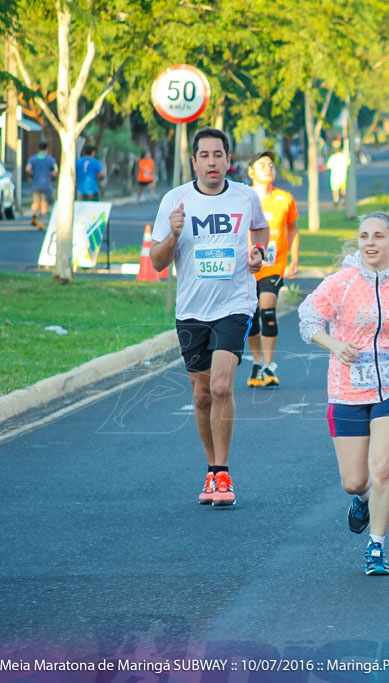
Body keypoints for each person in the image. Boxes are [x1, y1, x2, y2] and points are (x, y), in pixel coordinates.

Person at [298, 212, 389, 575]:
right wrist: (334, 344)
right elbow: (308, 320)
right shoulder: (340, 283)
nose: (370, 242)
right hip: (347, 388)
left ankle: (377, 547)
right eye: (364, 236)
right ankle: (361, 500)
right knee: (355, 481)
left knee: (383, 470)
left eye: (378, 236)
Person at [149, 127, 268, 507]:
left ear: (228, 160)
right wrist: (173, 235)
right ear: (194, 161)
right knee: (201, 396)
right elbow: (157, 261)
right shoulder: (175, 200)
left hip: (234, 305)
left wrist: (259, 253)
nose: (212, 161)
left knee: (220, 387)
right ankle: (211, 469)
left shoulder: (246, 197)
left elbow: (261, 230)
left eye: (219, 154)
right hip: (191, 311)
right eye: (205, 155)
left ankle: (223, 473)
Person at [245, 151, 299, 388]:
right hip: (246, 268)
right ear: (251, 172)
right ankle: (257, 362)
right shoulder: (243, 198)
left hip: (273, 266)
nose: (268, 169)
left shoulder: (284, 199)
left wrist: (293, 260)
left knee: (267, 308)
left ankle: (268, 364)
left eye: (271, 165)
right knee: (250, 317)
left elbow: (293, 229)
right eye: (262, 165)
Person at [25, 141, 57, 229]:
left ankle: (34, 216)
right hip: (47, 185)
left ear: (38, 148)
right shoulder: (50, 159)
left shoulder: (33, 158)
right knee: (44, 204)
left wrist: (32, 174)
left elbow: (27, 169)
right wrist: (52, 174)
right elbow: (55, 172)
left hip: (36, 184)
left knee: (35, 202)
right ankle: (41, 223)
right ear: (47, 148)